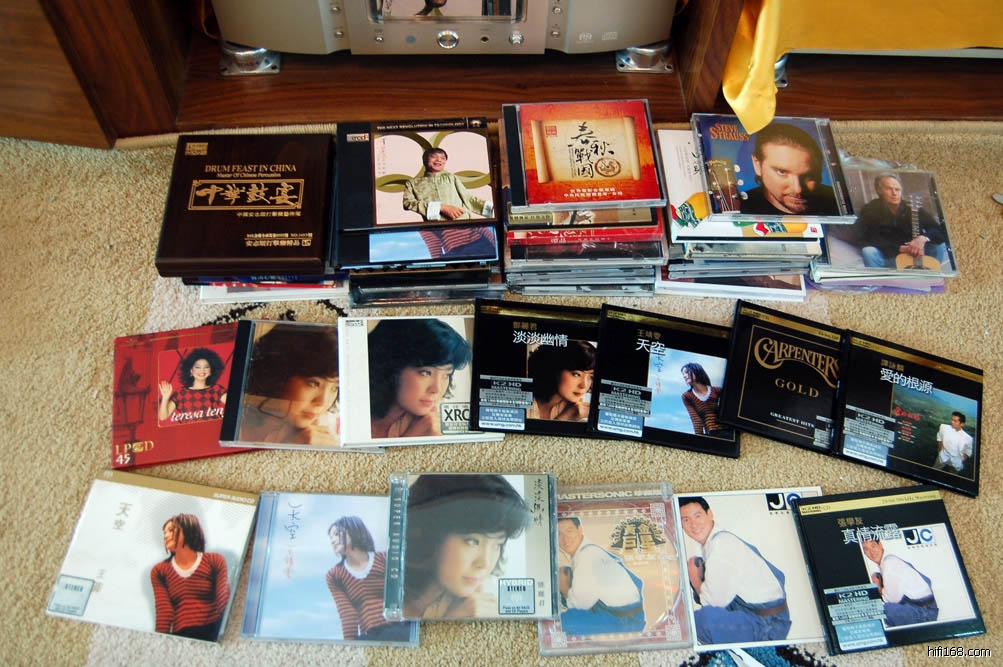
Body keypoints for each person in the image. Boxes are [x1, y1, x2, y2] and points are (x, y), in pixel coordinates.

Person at [402, 474, 530, 618]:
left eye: (497, 545)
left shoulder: (483, 605)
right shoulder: (385, 578)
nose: (484, 564)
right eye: (472, 541)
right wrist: (450, 623)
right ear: (431, 535)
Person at [678, 497, 791, 645]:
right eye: (686, 520)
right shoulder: (714, 542)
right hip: (751, 613)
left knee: (698, 621)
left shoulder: (722, 545)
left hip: (767, 626)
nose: (693, 524)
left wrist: (695, 580)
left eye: (697, 516)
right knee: (699, 568)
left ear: (710, 514)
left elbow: (714, 603)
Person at [238, 323, 339, 446]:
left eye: (335, 388)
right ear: (280, 375)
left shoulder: (328, 435)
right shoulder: (234, 415)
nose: (323, 402)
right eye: (313, 383)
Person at [368, 318, 471, 439]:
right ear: (392, 368)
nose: (437, 389)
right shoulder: (353, 411)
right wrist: (408, 440)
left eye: (446, 375)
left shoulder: (434, 427)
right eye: (426, 373)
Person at [325, 516, 413, 642]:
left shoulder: (385, 558)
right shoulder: (335, 575)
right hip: (371, 634)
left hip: (401, 627)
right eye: (331, 538)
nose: (333, 541)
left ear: (354, 531)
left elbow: (408, 593)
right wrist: (350, 646)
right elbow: (347, 614)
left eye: (337, 534)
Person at [557, 517, 645, 635]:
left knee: (561, 623)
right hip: (627, 616)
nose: (565, 538)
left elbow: (580, 604)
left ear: (580, 529)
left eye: (569, 531)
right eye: (559, 534)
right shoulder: (590, 550)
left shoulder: (587, 555)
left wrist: (565, 594)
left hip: (622, 621)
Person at [150, 513, 230, 641]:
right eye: (164, 532)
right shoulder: (160, 571)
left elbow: (223, 599)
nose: (165, 535)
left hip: (212, 628)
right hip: (182, 634)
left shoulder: (215, 560)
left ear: (188, 530)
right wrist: (159, 641)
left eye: (171, 530)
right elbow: (164, 611)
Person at [739, 122, 839, 216]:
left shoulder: (836, 201)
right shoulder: (739, 207)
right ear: (757, 164)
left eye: (809, 176)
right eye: (782, 172)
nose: (798, 189)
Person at [852, 172, 947, 269]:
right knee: (868, 251)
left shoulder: (912, 208)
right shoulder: (870, 210)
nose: (894, 193)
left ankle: (931, 272)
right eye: (889, 189)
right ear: (879, 190)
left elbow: (939, 231)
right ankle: (881, 278)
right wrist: (899, 248)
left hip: (915, 255)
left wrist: (922, 239)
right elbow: (863, 238)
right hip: (889, 257)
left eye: (897, 189)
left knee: (939, 246)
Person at [861, 537, 938, 627]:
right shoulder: (889, 560)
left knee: (880, 610)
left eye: (873, 546)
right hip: (923, 607)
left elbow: (891, 600)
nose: (871, 552)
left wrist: (878, 585)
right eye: (866, 549)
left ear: (880, 545)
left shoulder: (889, 564)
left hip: (924, 613)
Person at [403, 147, 494, 221]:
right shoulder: (413, 183)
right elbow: (407, 203)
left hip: (461, 221)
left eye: (443, 158)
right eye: (434, 156)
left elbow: (468, 198)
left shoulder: (451, 178)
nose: (439, 160)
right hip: (435, 228)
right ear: (425, 160)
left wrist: (493, 209)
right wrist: (440, 207)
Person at [526, 340, 595, 422]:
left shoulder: (580, 412)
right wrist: (566, 418)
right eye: (576, 374)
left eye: (590, 377)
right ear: (554, 369)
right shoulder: (523, 398)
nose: (584, 385)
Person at [158, 348, 227, 424]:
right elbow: (163, 417)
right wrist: (165, 398)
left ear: (211, 371)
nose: (202, 371)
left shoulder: (217, 389)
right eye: (198, 367)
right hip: (188, 430)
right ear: (190, 371)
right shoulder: (181, 393)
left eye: (206, 367)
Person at [679, 362, 731, 438]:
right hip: (712, 433)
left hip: (728, 430)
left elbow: (729, 409)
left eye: (686, 372)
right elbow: (696, 420)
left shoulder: (717, 390)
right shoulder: (687, 396)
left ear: (697, 371)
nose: (684, 376)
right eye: (683, 374)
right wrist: (699, 439)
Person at [418, 225, 496, 260]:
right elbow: (433, 244)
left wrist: (494, 243)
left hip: (477, 243)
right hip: (455, 253)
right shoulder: (424, 221)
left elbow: (480, 227)